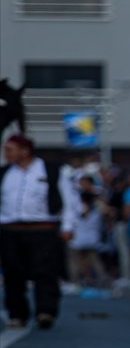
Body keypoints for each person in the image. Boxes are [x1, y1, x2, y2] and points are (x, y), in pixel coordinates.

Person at [0, 134, 74, 329]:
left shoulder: (51, 170)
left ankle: (45, 311)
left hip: (43, 228)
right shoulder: (5, 173)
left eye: (10, 149)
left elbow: (69, 200)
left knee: (45, 271)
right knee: (13, 273)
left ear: (25, 151)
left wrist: (68, 226)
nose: (6, 153)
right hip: (11, 229)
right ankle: (17, 313)